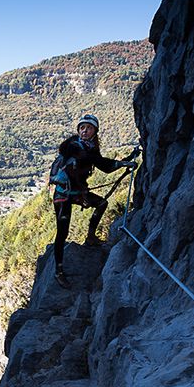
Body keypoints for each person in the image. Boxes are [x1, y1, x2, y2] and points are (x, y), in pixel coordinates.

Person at [49, 114, 137, 288]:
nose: (84, 130)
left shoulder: (90, 149)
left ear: (94, 132)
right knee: (62, 232)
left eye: (88, 128)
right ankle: (58, 271)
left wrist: (127, 160)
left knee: (102, 204)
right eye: (82, 127)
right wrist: (123, 163)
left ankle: (90, 237)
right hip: (63, 195)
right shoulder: (74, 146)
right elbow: (100, 162)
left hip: (77, 192)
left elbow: (103, 165)